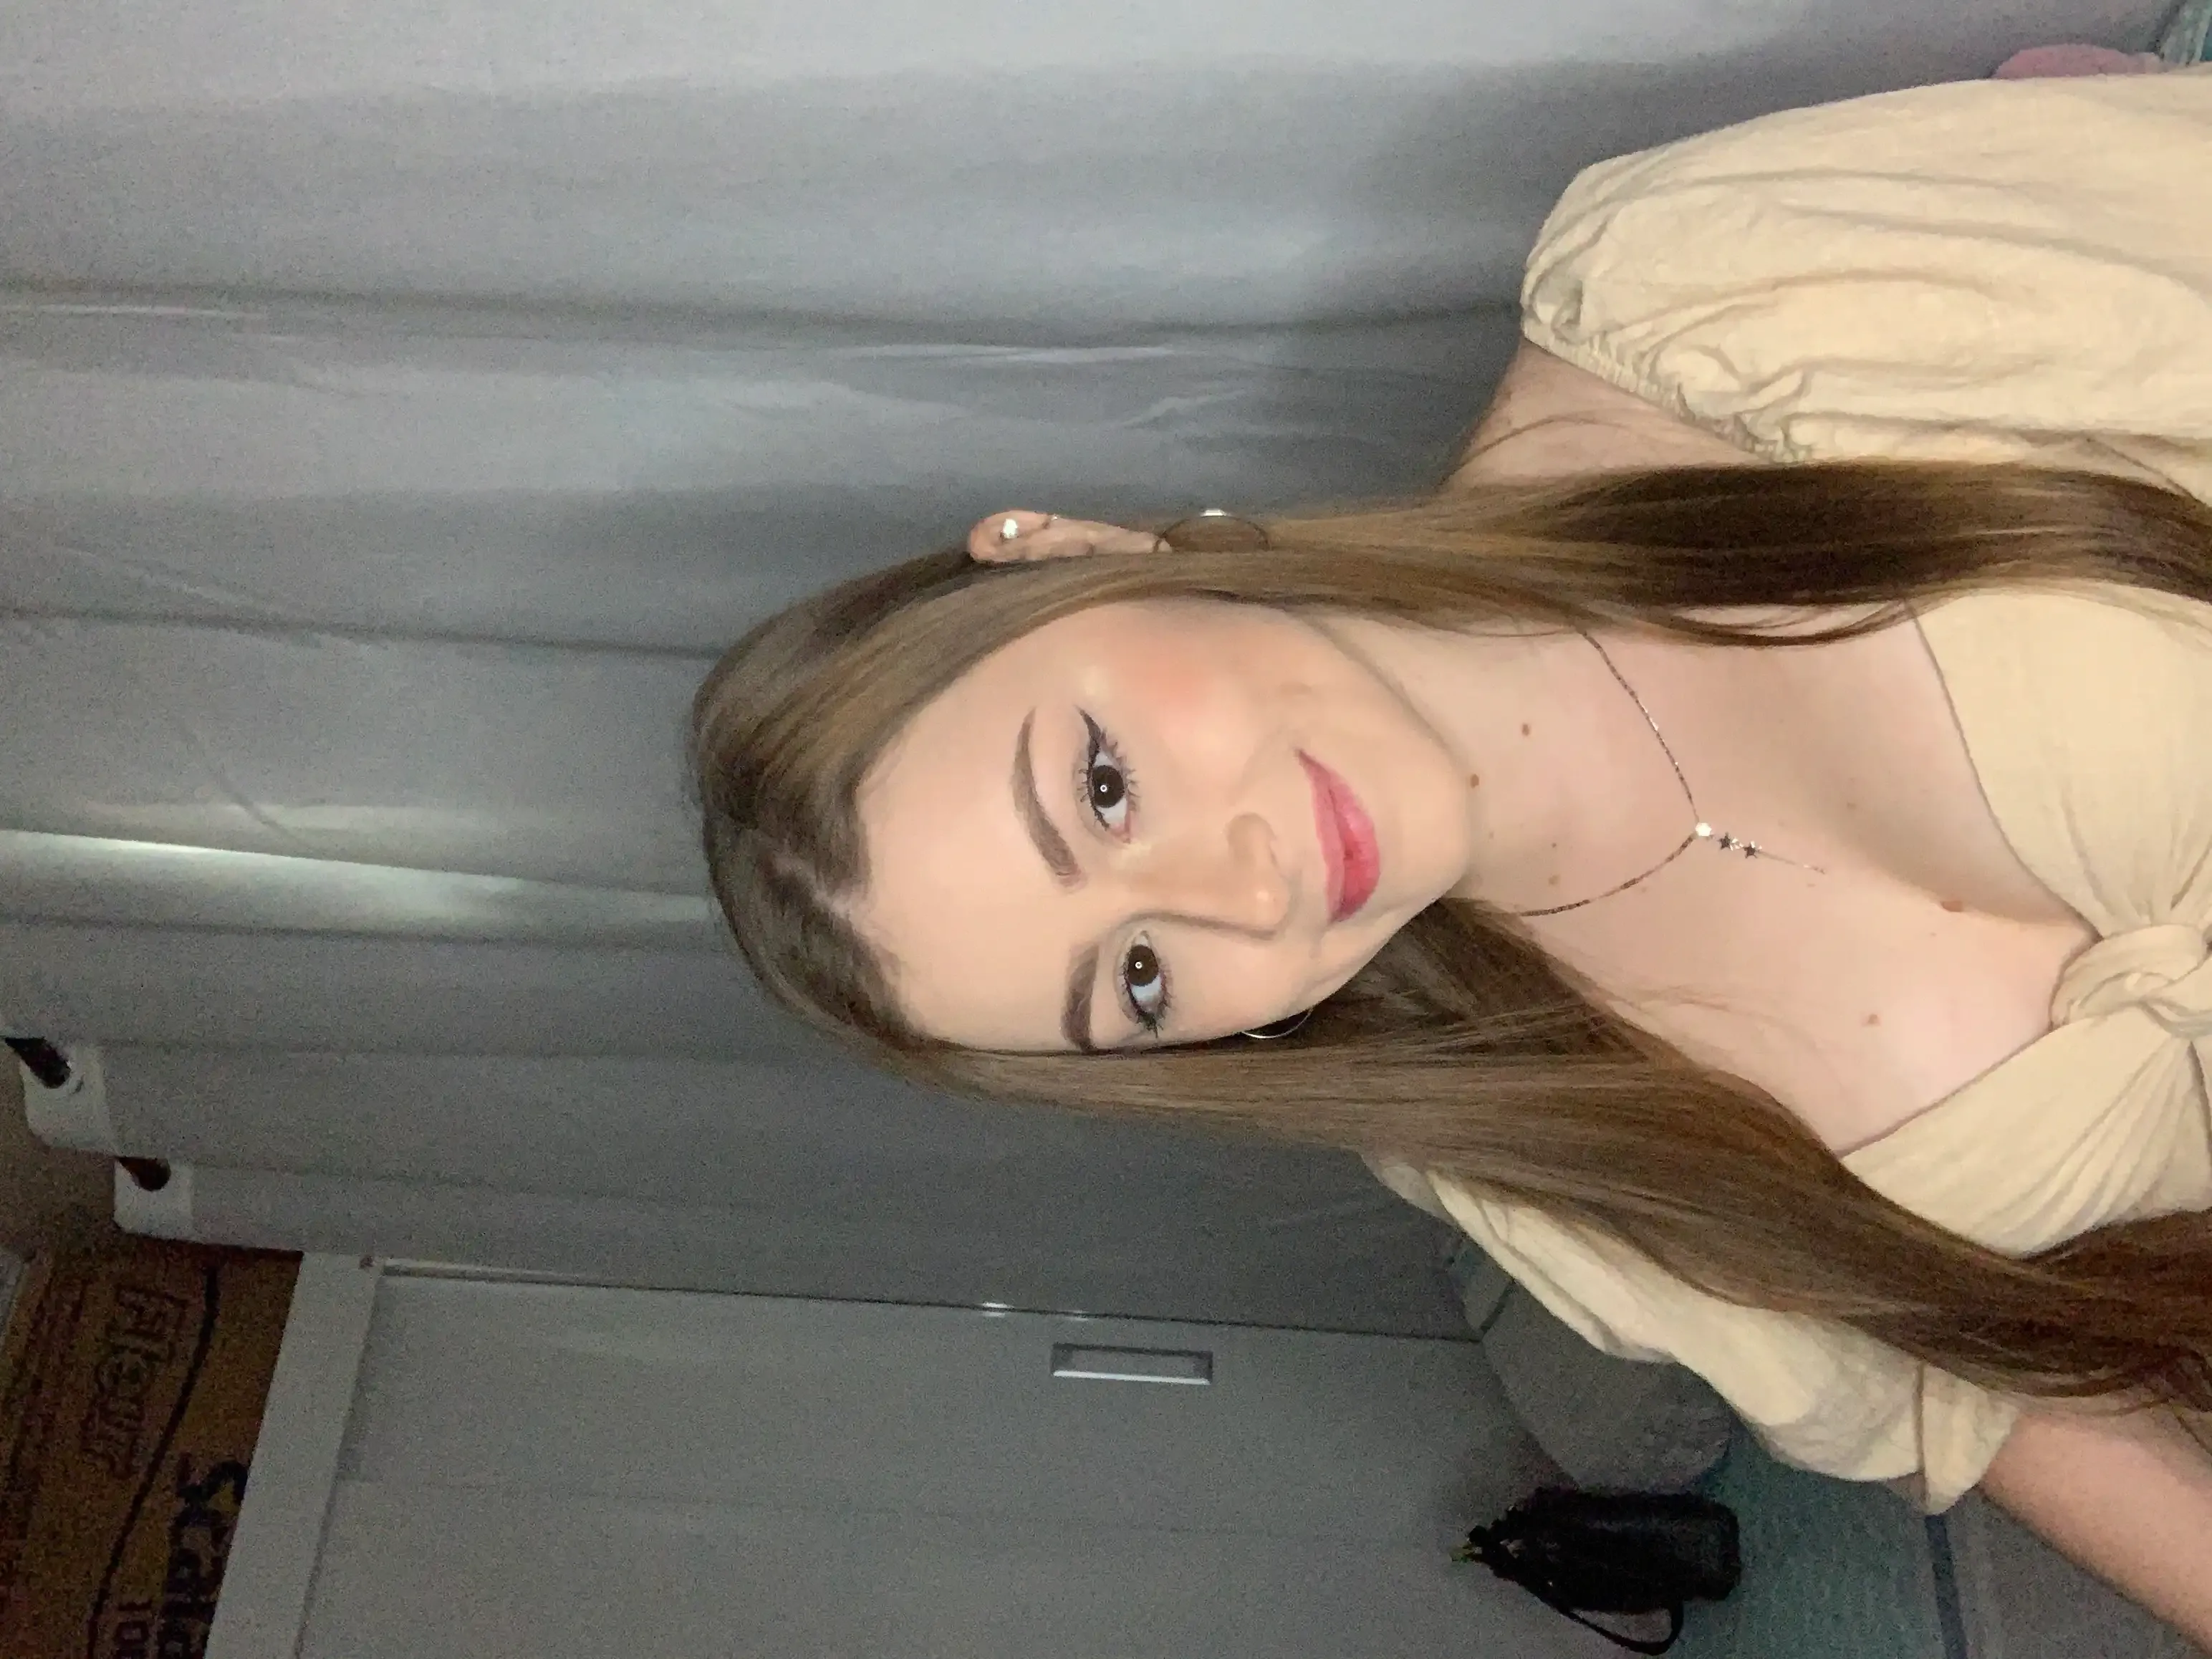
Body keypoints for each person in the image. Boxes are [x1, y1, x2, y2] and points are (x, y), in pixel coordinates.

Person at [691, 67, 2212, 1640]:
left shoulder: (1688, 305)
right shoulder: (1528, 1140)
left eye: (1102, 785)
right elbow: (1984, 1394)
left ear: (1071, 554)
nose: (1248, 894)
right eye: (1140, 979)